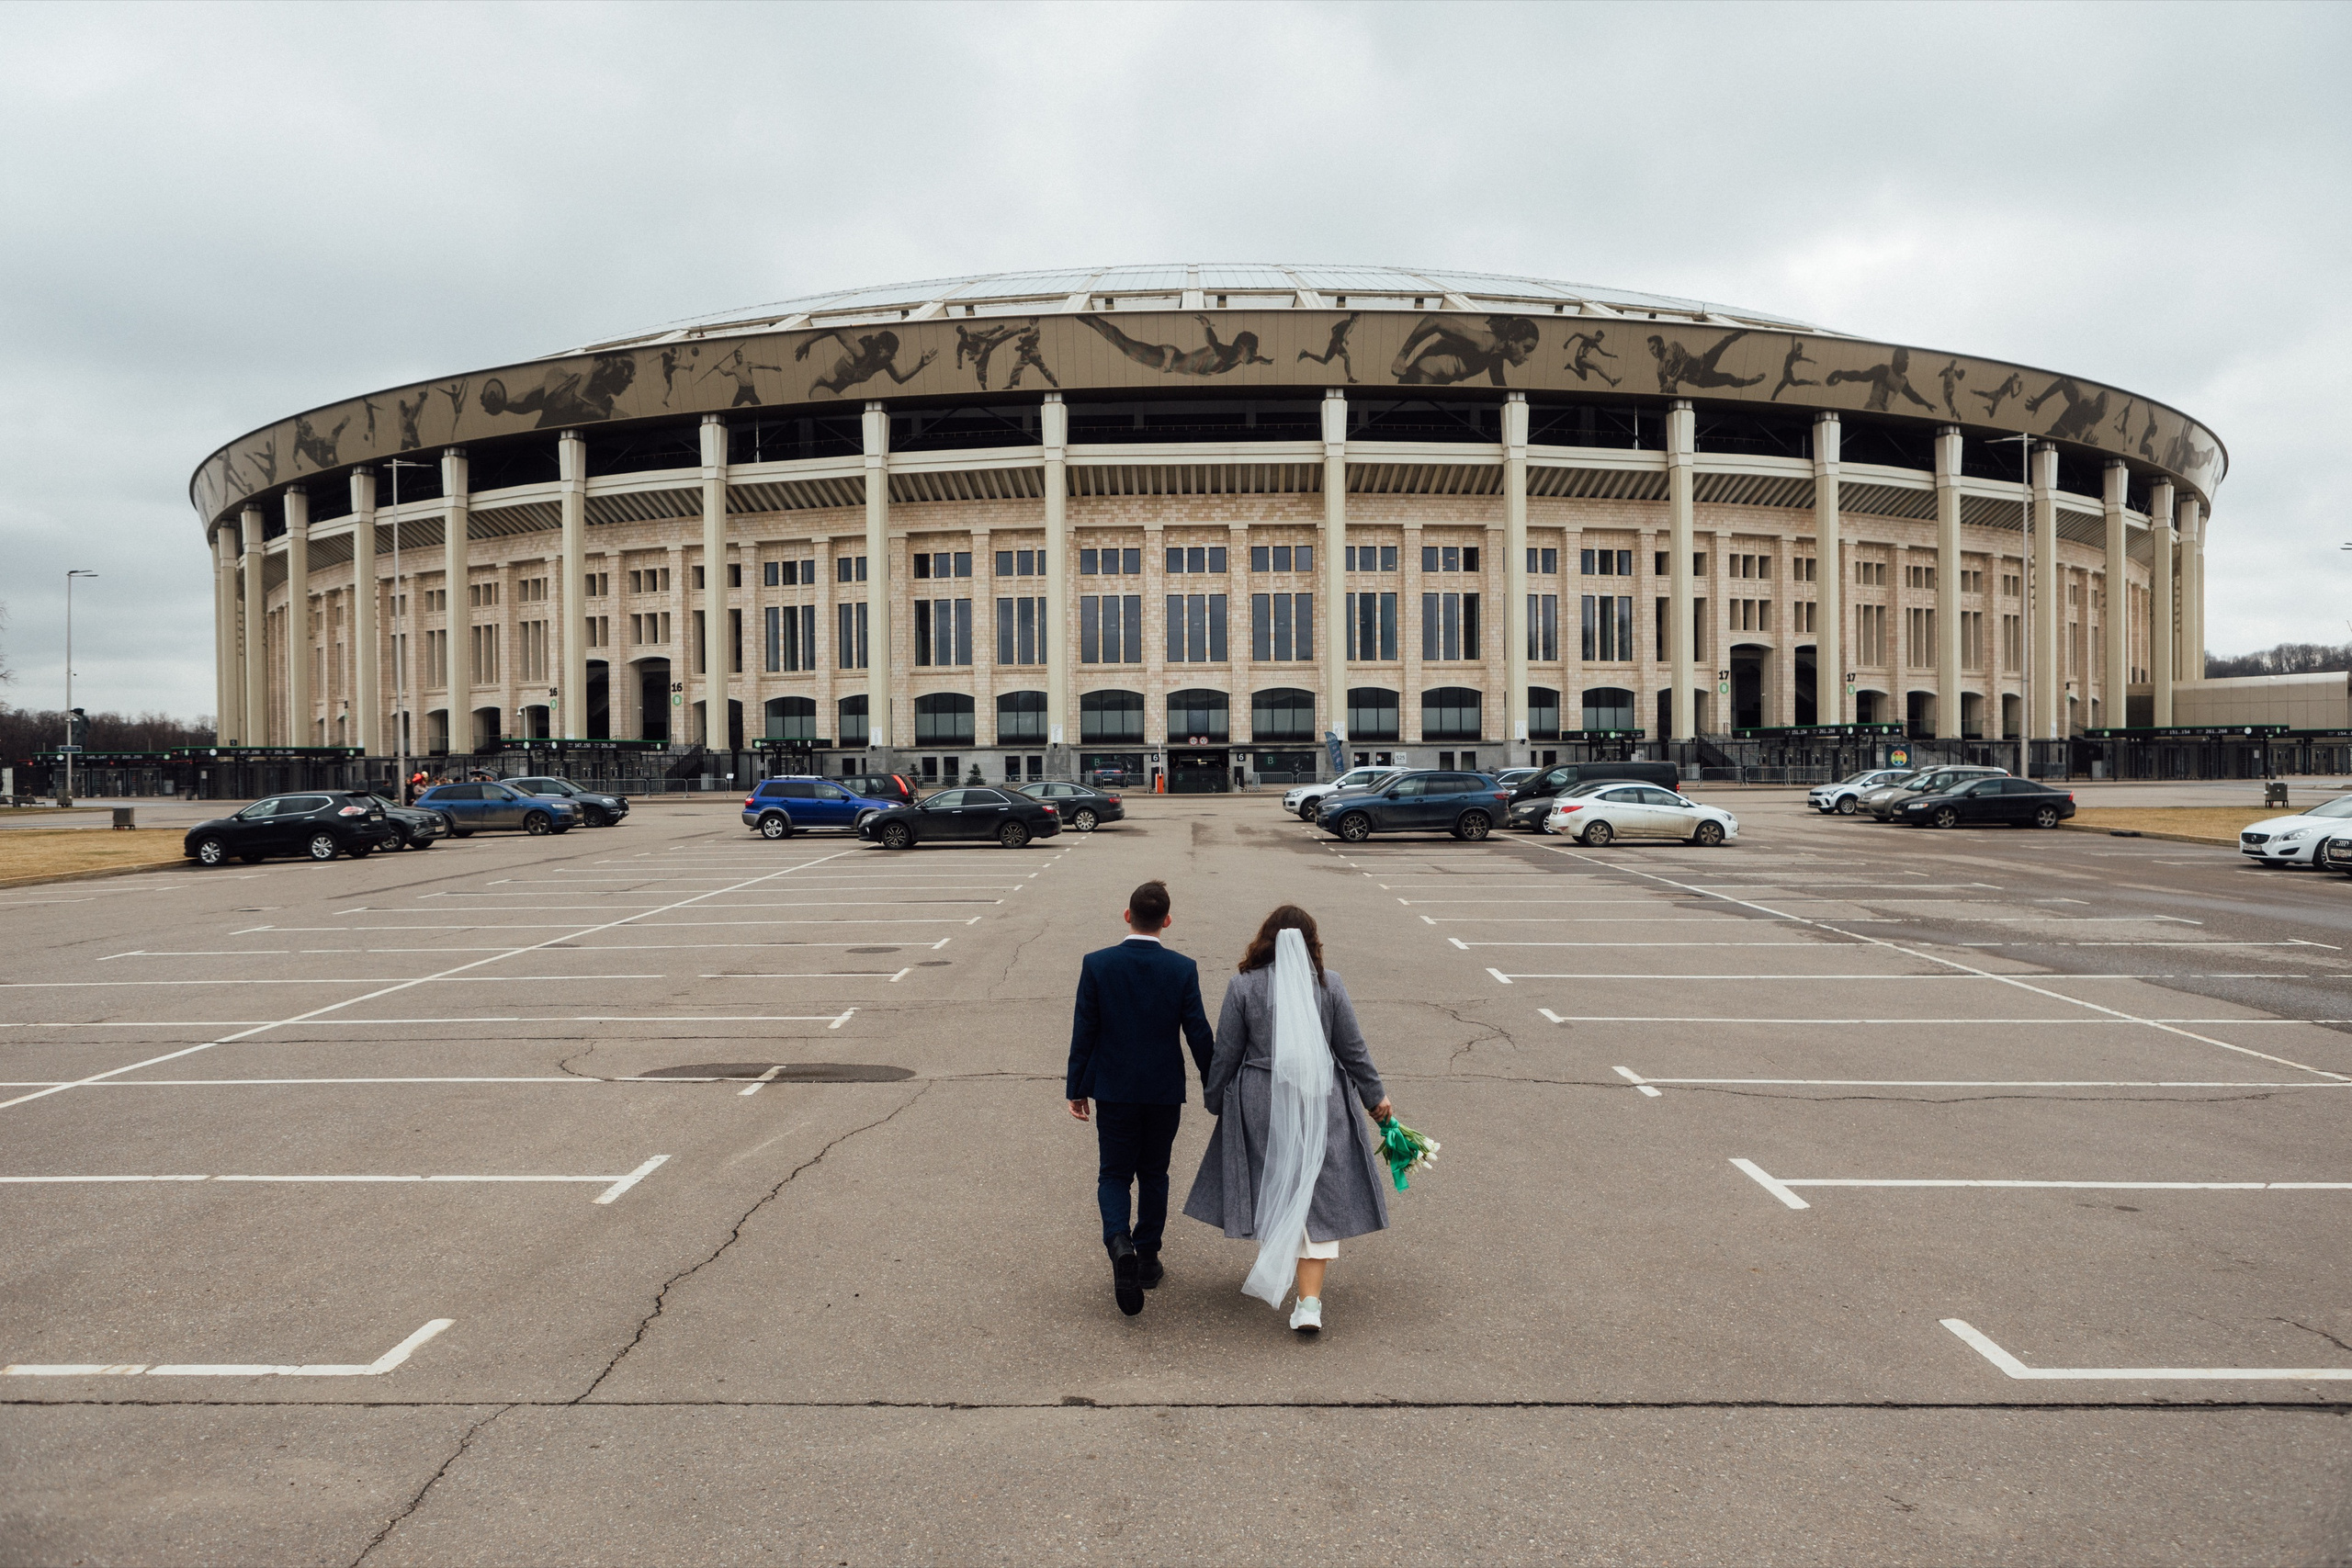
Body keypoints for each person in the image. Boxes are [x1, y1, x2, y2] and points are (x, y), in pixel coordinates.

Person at [1185, 906, 1392, 1336]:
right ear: (1312, 942)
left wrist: (1215, 1097)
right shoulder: (1330, 984)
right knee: (1318, 1191)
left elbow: (1227, 1051)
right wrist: (1375, 1098)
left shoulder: (1244, 985)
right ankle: (1309, 1303)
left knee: (1276, 1183)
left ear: (1266, 939)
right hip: (1321, 1098)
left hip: (1261, 1098)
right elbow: (1352, 1048)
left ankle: (1281, 1272)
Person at [1066, 879, 1216, 1317]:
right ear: (1167, 921)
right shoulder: (1182, 968)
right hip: (1163, 1091)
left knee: (1114, 1174)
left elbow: (1085, 1029)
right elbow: (1198, 1032)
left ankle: (1119, 1243)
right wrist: (1214, 1084)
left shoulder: (1098, 964)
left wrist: (1077, 1088)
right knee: (1154, 1173)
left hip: (1114, 1089)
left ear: (1127, 915)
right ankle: (1147, 1258)